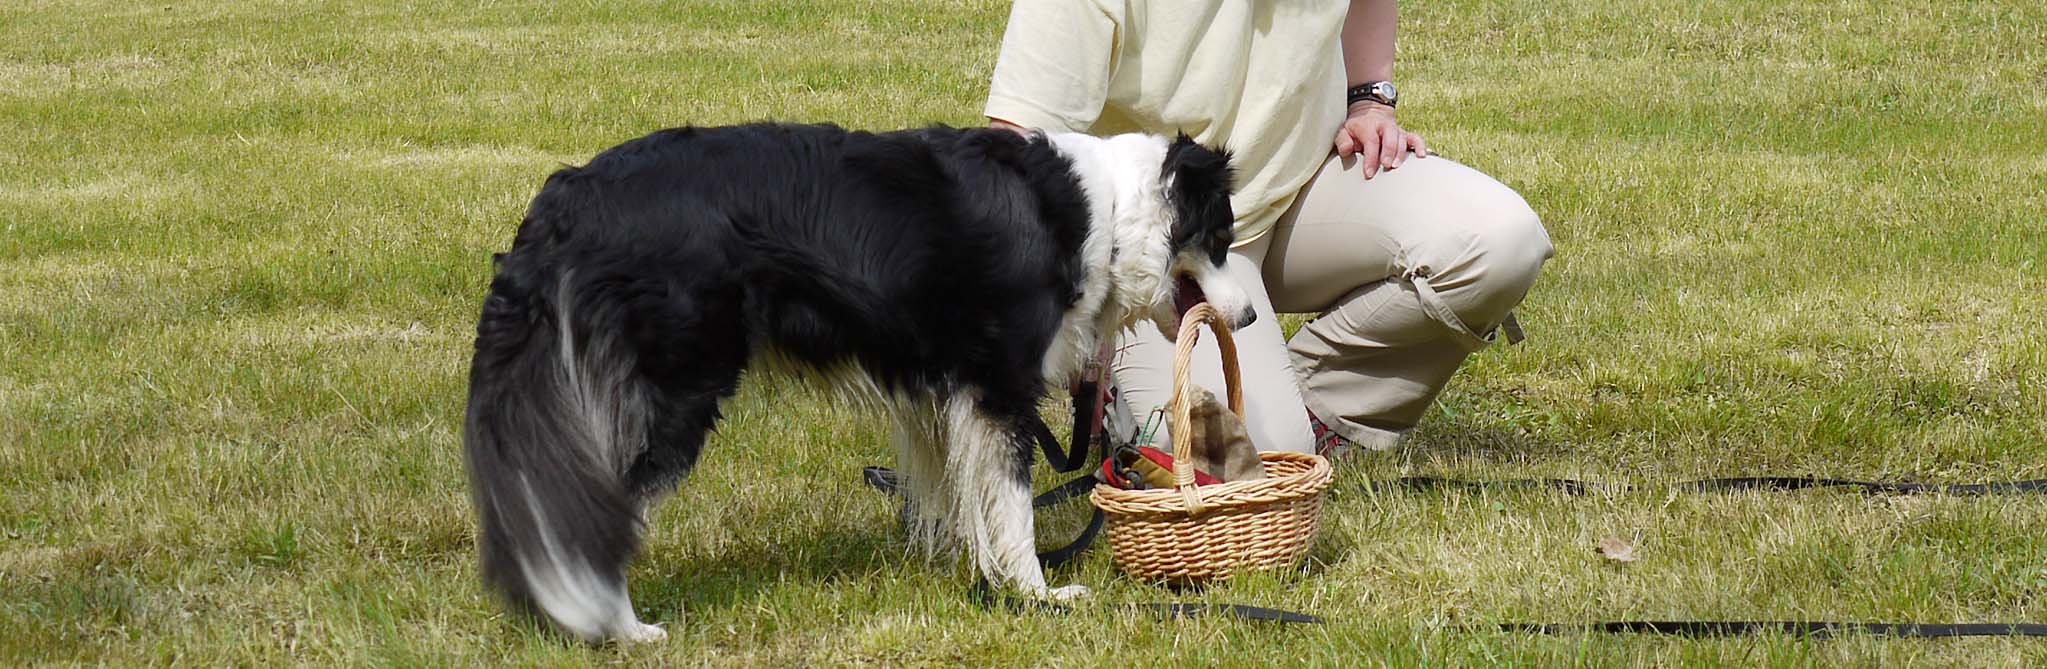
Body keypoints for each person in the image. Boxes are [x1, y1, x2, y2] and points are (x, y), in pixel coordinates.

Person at [984, 0, 1554, 457]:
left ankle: (1314, 410)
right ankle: (1131, 397)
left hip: (1308, 185)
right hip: (1169, 260)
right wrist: (1079, 309)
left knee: (1498, 241)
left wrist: (1370, 100)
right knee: (1246, 466)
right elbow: (1014, 159)